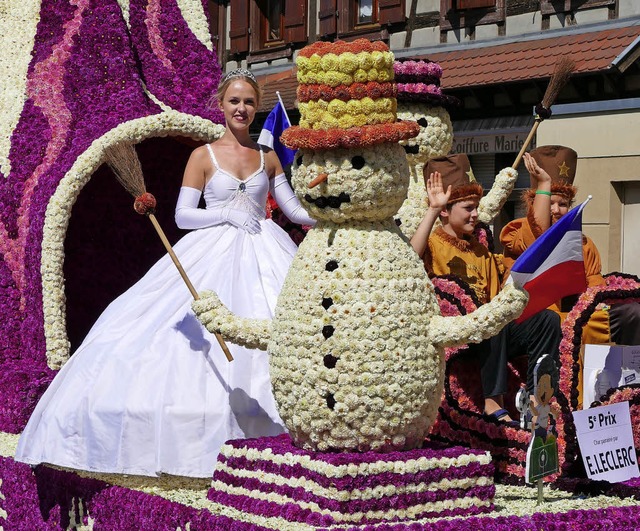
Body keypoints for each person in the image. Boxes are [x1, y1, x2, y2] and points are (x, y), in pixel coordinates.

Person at [15, 69, 315, 478]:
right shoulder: (202, 155)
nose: (241, 108)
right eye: (234, 101)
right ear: (222, 106)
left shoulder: (268, 156)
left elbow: (293, 209)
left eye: (248, 102)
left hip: (266, 248)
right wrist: (225, 213)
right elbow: (183, 215)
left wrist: (329, 212)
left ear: (255, 107)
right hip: (212, 249)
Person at [410, 154, 561, 425]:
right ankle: (494, 404)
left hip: (491, 335)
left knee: (546, 320)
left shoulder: (482, 251)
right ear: (445, 210)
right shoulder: (432, 244)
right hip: (455, 335)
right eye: (468, 208)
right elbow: (407, 261)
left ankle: (538, 399)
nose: (476, 214)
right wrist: (432, 210)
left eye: (477, 207)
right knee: (493, 319)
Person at [500, 145, 640, 346]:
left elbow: (594, 283)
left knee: (626, 314)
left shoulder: (583, 243)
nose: (557, 210)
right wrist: (544, 184)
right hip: (535, 322)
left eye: (563, 204)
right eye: (550, 203)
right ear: (535, 203)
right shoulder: (517, 232)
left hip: (577, 318)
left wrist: (594, 306)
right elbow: (538, 236)